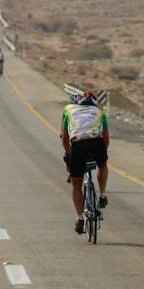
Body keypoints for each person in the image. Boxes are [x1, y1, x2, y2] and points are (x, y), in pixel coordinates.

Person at [61, 91, 109, 234]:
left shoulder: (69, 110)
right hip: (96, 143)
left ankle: (80, 218)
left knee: (76, 184)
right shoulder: (99, 111)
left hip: (78, 145)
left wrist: (68, 153)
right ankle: (102, 195)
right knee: (103, 166)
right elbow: (106, 137)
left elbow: (65, 137)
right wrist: (102, 154)